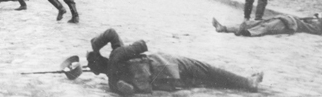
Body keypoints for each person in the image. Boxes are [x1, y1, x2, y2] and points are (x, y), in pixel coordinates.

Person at [86, 28, 264, 96]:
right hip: (167, 64)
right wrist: (95, 45)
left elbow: (130, 91)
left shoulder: (112, 83)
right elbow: (140, 45)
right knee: (208, 71)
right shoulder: (117, 55)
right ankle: (248, 83)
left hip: (168, 83)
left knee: (206, 80)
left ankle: (244, 84)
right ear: (101, 56)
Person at [212, 13, 322, 37]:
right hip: (286, 18)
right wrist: (316, 16)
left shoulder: (317, 27)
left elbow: (315, 28)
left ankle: (249, 33)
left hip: (291, 24)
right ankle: (224, 28)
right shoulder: (316, 20)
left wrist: (317, 19)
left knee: (266, 27)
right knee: (255, 22)